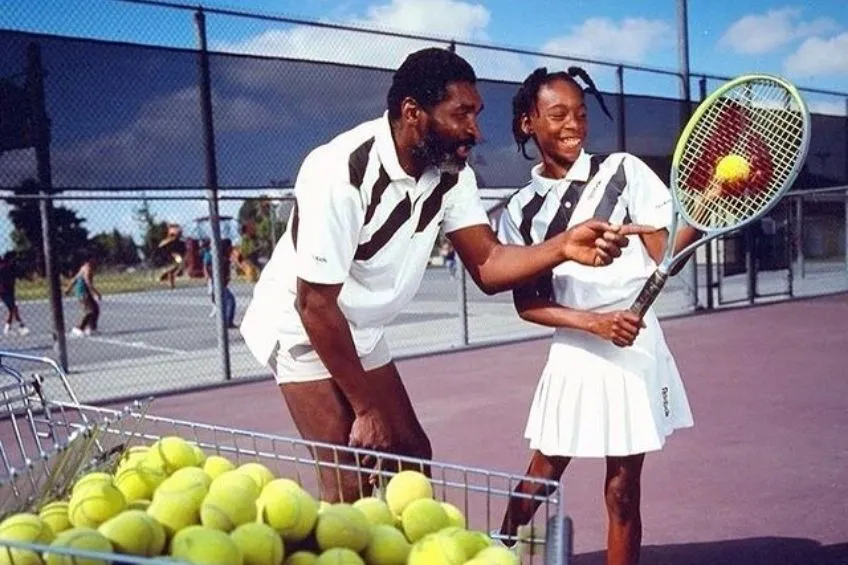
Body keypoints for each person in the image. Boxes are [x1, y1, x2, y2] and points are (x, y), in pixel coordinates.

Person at [239, 48, 652, 504]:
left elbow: (489, 266)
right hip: (302, 324)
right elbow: (314, 305)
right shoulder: (339, 171)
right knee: (350, 475)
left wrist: (562, 246)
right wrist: (365, 409)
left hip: (361, 326)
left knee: (412, 456)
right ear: (413, 113)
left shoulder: (452, 174)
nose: (474, 130)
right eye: (462, 114)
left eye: (476, 114)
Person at [495, 67, 706, 565]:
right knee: (542, 473)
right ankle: (499, 541)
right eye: (558, 114)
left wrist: (700, 211)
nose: (574, 124)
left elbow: (664, 257)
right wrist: (596, 323)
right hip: (577, 347)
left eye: (581, 114)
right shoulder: (518, 211)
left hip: (635, 346)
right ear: (529, 123)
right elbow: (528, 304)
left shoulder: (624, 170)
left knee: (622, 490)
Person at [202, 238, 237, 328]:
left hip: (221, 284)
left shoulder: (224, 257)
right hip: (218, 284)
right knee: (230, 301)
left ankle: (226, 321)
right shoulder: (220, 258)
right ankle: (227, 322)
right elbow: (210, 269)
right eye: (229, 247)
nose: (231, 249)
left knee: (226, 302)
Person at [64, 253, 102, 337]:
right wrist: (96, 292)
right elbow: (88, 282)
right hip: (82, 291)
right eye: (94, 258)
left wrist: (68, 288)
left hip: (86, 291)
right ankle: (78, 328)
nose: (96, 260)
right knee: (89, 310)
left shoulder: (84, 268)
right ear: (90, 260)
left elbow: (74, 279)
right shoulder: (87, 268)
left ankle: (92, 328)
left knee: (95, 309)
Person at [0, 252, 30, 336]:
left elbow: (20, 275)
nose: (15, 260)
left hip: (10, 291)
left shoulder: (11, 267)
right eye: (13, 259)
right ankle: (21, 326)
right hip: (4, 292)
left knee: (12, 309)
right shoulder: (3, 268)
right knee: (13, 308)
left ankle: (8, 327)